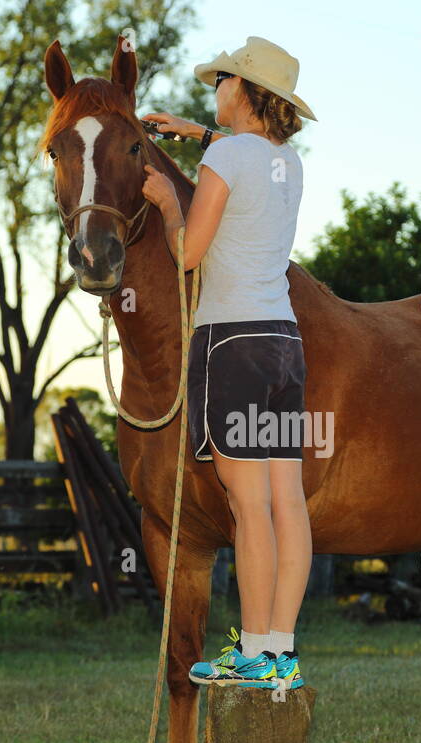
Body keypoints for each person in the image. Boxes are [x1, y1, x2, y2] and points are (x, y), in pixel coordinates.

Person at [138, 37, 317, 690]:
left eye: (222, 81)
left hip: (231, 345)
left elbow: (188, 254)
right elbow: (244, 162)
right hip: (284, 345)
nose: (215, 88)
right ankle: (279, 653)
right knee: (286, 503)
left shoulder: (224, 156)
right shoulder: (287, 161)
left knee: (247, 508)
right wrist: (200, 134)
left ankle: (251, 655)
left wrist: (164, 202)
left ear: (242, 91)